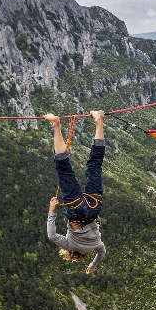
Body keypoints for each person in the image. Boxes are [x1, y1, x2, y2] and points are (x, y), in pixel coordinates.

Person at [44, 110, 107, 275]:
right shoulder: (70, 246)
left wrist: (92, 266)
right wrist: (52, 210)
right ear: (72, 254)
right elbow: (51, 236)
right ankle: (56, 125)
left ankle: (99, 121)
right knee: (64, 170)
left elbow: (102, 254)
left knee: (95, 165)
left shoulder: (96, 245)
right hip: (76, 211)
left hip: (94, 208)